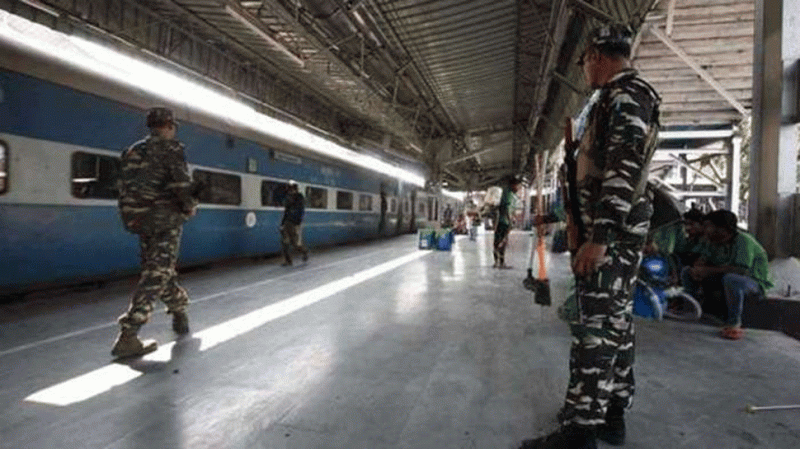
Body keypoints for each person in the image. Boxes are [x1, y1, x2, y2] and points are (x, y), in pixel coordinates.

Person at [520, 24, 661, 449]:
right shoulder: (618, 98)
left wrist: (599, 237)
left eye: (583, 62)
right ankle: (612, 416)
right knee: (615, 325)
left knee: (595, 329)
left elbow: (624, 171)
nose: (583, 70)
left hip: (611, 236)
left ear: (597, 56)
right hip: (614, 232)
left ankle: (580, 431)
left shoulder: (625, 95)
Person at [112, 107, 198, 359]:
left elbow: (123, 186)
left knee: (160, 270)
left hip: (138, 220)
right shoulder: (171, 149)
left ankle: (179, 309)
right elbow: (181, 186)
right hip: (164, 221)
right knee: (156, 273)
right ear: (170, 126)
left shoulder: (132, 151)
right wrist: (190, 207)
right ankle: (129, 334)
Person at [680, 210, 773, 340]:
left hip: (752, 282)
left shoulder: (743, 241)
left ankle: (733, 323)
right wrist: (697, 269)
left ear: (723, 228)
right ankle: (690, 311)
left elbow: (740, 270)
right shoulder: (711, 241)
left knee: (732, 279)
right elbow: (703, 258)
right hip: (722, 277)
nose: (705, 230)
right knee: (686, 272)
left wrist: (708, 271)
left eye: (708, 226)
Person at [493, 175, 522, 268]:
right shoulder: (508, 193)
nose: (519, 188)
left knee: (498, 242)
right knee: (502, 242)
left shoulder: (509, 193)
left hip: (502, 221)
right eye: (518, 185)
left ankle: (497, 263)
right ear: (513, 185)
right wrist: (510, 222)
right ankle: (501, 263)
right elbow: (506, 209)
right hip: (504, 222)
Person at [280, 181, 309, 266]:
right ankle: (288, 261)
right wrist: (282, 223)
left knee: (295, 244)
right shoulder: (288, 198)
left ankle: (304, 252)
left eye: (291, 189)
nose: (290, 191)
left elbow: (301, 211)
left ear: (295, 189)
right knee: (285, 242)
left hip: (295, 223)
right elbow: (286, 211)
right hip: (287, 222)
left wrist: (298, 222)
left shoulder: (299, 198)